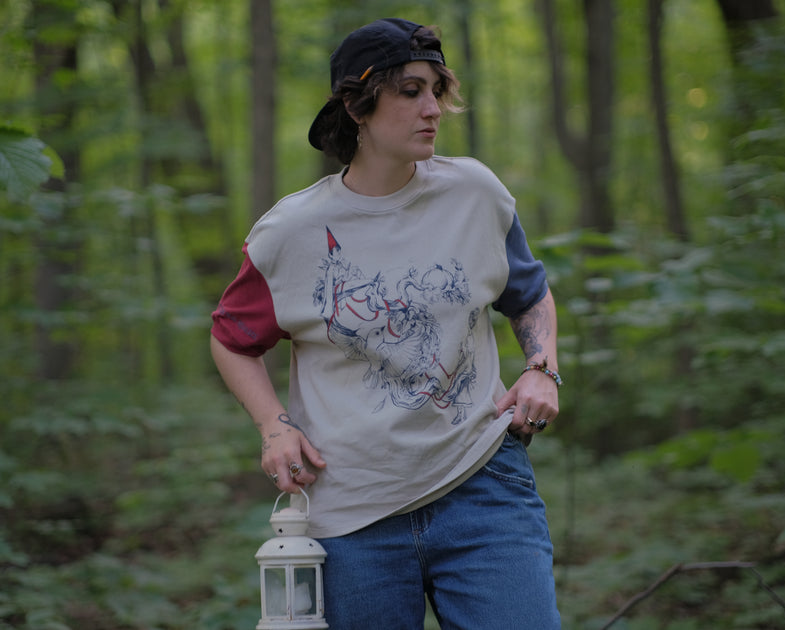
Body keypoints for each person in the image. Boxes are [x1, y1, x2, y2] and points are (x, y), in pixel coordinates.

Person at [211, 17, 563, 629]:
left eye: (436, 90)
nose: (432, 108)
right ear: (357, 107)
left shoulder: (475, 194)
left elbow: (529, 294)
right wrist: (273, 426)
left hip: (484, 485)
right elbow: (231, 340)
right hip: (353, 513)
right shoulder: (291, 233)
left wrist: (542, 368)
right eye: (409, 91)